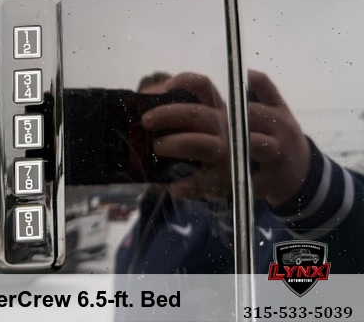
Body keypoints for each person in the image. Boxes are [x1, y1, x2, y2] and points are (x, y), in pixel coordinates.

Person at [116, 70, 364, 273]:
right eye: (146, 120)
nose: (160, 133)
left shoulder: (247, 210)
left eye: (172, 117)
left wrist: (306, 185)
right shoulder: (129, 243)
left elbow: (324, 263)